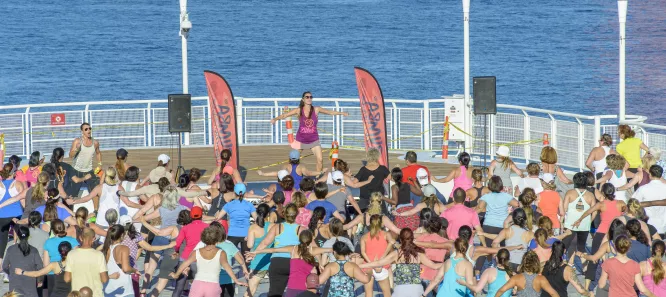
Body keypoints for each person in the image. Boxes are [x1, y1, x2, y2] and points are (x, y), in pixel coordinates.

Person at [270, 91, 349, 172]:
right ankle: (290, 176)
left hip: (314, 140)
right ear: (303, 99)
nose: (309, 98)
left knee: (320, 160)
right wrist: (275, 119)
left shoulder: (316, 109)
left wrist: (342, 113)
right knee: (293, 160)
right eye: (307, 97)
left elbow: (330, 112)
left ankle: (318, 177)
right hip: (301, 140)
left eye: (311, 97)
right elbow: (285, 115)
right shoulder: (298, 110)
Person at [360, 228, 442, 297]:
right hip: (416, 290)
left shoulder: (396, 254)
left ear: (400, 240)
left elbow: (378, 263)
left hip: (400, 291)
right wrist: (450, 262)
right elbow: (434, 266)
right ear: (412, 239)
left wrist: (361, 266)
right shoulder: (418, 254)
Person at [248, 229, 331, 297]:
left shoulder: (293, 249)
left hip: (292, 287)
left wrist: (256, 252)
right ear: (310, 240)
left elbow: (273, 250)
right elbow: (330, 249)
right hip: (306, 288)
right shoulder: (313, 250)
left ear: (299, 239)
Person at [170, 226, 247, 297]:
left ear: (203, 238)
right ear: (217, 239)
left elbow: (184, 263)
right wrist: (236, 280)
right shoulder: (221, 252)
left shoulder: (196, 252)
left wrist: (176, 275)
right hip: (213, 286)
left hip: (198, 284)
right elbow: (227, 267)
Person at [572, 184, 626, 285]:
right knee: (617, 258)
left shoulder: (601, 204)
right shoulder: (620, 203)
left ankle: (587, 286)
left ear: (603, 193)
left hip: (601, 233)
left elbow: (588, 212)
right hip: (616, 233)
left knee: (594, 258)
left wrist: (579, 220)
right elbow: (627, 213)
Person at [253, 204, 303, 297]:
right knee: (297, 293)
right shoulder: (301, 229)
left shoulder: (278, 227)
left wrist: (254, 253)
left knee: (275, 293)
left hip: (278, 261)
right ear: (296, 214)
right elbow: (312, 247)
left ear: (284, 214)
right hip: (295, 262)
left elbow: (265, 243)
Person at [172, 206, 208, 296]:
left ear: (191, 216)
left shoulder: (185, 228)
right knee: (200, 286)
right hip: (200, 258)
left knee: (179, 286)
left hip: (185, 258)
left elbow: (177, 243)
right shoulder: (207, 227)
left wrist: (176, 251)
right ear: (201, 215)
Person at [476, 176, 520, 248]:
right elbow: (517, 205)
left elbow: (480, 208)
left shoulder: (486, 196)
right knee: (501, 250)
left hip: (488, 224)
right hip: (502, 225)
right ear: (501, 185)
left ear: (489, 185)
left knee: (486, 249)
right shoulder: (506, 196)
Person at [214, 183, 257, 255]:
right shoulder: (249, 205)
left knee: (228, 256)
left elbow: (217, 217)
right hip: (246, 234)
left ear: (234, 192)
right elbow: (257, 220)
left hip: (232, 234)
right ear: (244, 193)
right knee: (246, 257)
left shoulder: (228, 205)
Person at [64, 227, 109, 296]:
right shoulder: (99, 255)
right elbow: (104, 279)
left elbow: (67, 279)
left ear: (80, 238)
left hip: (78, 294)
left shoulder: (71, 254)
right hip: (96, 294)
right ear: (94, 239)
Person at [494, 251, 561, 297]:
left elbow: (501, 290)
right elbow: (553, 293)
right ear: (536, 263)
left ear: (523, 263)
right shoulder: (541, 279)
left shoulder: (516, 278)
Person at [562, 172, 596, 260]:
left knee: (564, 246)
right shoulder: (591, 195)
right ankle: (586, 270)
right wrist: (589, 222)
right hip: (584, 225)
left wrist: (562, 222)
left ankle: (563, 264)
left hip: (570, 224)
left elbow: (564, 209)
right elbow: (594, 212)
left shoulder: (570, 193)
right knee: (581, 248)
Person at [359, 214, 395, 297]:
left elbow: (363, 252)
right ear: (381, 223)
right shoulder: (386, 234)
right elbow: (391, 243)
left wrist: (371, 263)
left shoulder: (364, 237)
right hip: (381, 266)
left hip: (367, 267)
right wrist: (381, 259)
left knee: (368, 293)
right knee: (387, 293)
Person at [2, 226, 43, 297]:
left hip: (15, 286)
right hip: (31, 285)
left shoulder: (11, 249)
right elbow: (40, 267)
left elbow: (4, 266)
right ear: (28, 236)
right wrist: (39, 280)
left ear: (17, 235)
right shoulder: (34, 250)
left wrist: (11, 272)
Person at [43, 219, 79, 293]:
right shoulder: (72, 241)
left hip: (52, 273)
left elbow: (46, 264)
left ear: (52, 230)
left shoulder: (48, 242)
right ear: (64, 227)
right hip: (68, 272)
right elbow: (77, 259)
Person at [0, 163, 24, 272]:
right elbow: (22, 201)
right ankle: (16, 261)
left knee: (2, 239)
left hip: (2, 214)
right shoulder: (18, 184)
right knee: (17, 238)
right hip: (16, 214)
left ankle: (1, 263)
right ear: (13, 172)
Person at [101, 225, 136, 297]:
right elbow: (126, 269)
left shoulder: (107, 248)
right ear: (122, 235)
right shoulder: (124, 248)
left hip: (109, 288)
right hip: (123, 288)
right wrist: (134, 270)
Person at [245, 203, 272, 297]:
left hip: (257, 261)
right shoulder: (273, 226)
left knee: (250, 290)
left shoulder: (253, 227)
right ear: (268, 214)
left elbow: (250, 245)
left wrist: (248, 237)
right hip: (272, 260)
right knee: (275, 289)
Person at [68, 123, 102, 196]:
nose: (88, 130)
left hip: (89, 171)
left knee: (95, 193)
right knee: (72, 195)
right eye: (86, 129)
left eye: (90, 128)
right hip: (76, 170)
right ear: (82, 131)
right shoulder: (77, 141)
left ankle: (96, 208)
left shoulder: (95, 143)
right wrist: (77, 149)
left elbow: (98, 153)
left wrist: (99, 164)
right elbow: (70, 156)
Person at [632, 165, 666, 237]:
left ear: (650, 175)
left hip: (647, 227)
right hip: (663, 227)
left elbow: (633, 203)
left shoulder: (643, 189)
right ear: (661, 175)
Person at [354, 147, 391, 212]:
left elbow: (354, 182)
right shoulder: (382, 169)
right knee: (382, 219)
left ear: (368, 156)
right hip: (378, 199)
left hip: (365, 199)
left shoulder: (363, 169)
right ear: (378, 156)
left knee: (361, 219)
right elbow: (391, 178)